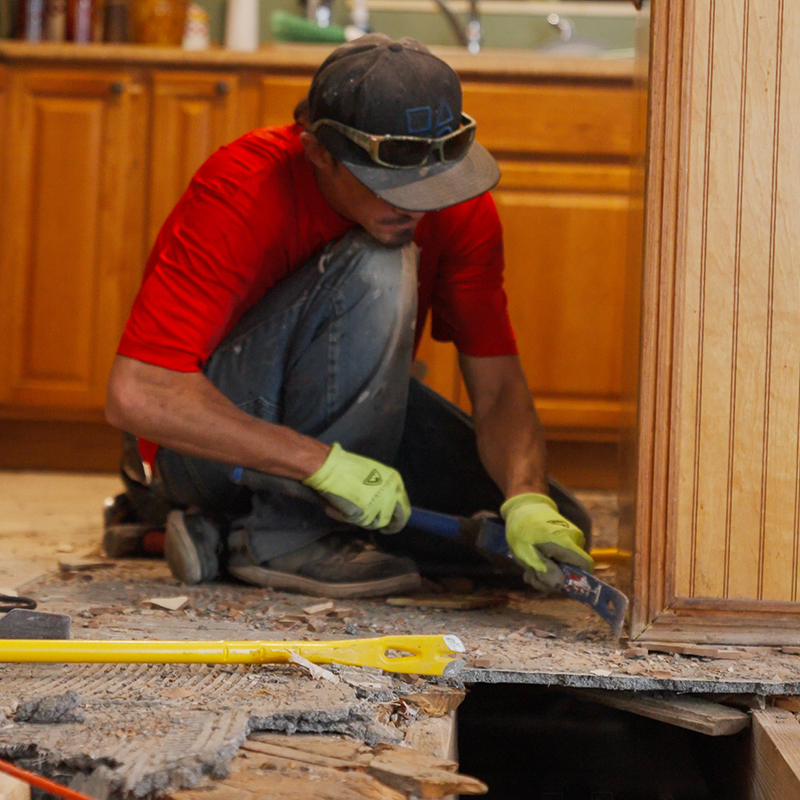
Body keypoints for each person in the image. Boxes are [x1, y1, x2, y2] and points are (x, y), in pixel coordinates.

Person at [104, 33, 594, 599]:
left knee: (547, 534)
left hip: (345, 432)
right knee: (380, 260)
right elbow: (140, 392)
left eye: (432, 181)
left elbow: (500, 389)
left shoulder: (455, 204)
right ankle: (285, 536)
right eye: (387, 182)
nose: (413, 203)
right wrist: (319, 464)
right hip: (201, 450)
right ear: (319, 151)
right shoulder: (243, 187)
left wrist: (527, 496)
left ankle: (231, 535)